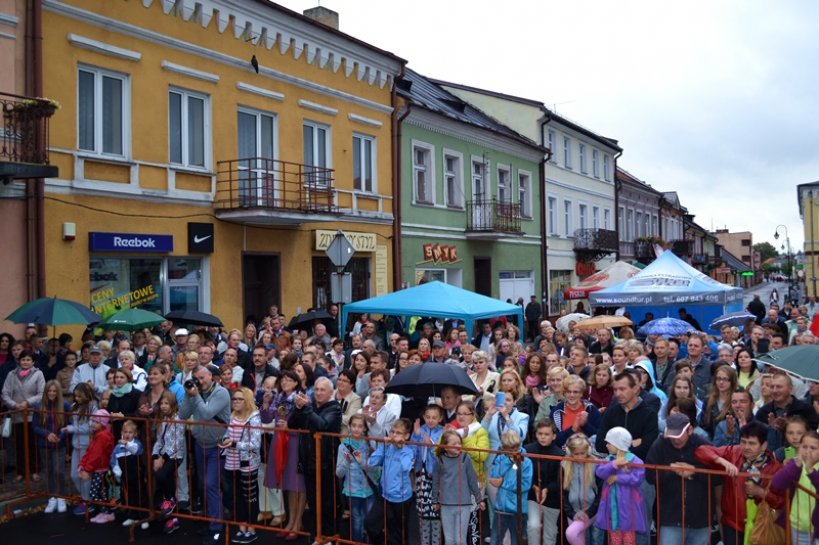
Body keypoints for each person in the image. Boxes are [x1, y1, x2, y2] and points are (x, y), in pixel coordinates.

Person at [595, 370, 658, 545]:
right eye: (615, 389)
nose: (618, 393)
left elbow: (647, 447)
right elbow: (600, 444)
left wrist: (619, 448)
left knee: (640, 525)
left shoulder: (649, 414)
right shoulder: (611, 412)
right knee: (613, 524)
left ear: (636, 389)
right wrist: (633, 443)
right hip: (612, 476)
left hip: (639, 478)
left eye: (622, 389)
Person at [695, 421, 784, 545]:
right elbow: (701, 451)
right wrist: (721, 461)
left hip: (760, 526)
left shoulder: (776, 468)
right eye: (743, 442)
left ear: (764, 446)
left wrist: (761, 492)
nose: (746, 447)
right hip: (732, 523)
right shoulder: (733, 452)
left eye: (752, 443)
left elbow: (781, 501)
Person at [179, 365, 231, 545]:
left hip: (216, 446)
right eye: (197, 378)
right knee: (203, 485)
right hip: (199, 444)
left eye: (203, 378)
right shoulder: (195, 392)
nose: (199, 382)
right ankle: (210, 521)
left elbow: (208, 413)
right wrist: (188, 394)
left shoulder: (221, 392)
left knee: (211, 484)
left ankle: (217, 527)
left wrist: (196, 396)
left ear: (211, 377)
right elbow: (183, 414)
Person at [645, 412, 712, 545]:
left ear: (690, 430)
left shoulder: (703, 445)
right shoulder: (660, 445)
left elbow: (718, 477)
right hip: (670, 518)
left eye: (679, 435)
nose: (675, 439)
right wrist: (671, 470)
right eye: (671, 435)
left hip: (700, 520)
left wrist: (694, 471)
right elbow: (650, 476)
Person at [289, 376, 342, 541]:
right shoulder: (310, 408)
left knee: (327, 504)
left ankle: (329, 537)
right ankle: (318, 536)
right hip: (309, 463)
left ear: (331, 392)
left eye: (322, 390)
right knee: (313, 504)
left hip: (326, 464)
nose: (318, 393)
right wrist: (298, 409)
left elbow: (322, 425)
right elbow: (292, 424)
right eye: (317, 389)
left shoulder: (334, 408)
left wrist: (306, 408)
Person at [259, 369, 303, 538]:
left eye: (289, 380)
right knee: (288, 484)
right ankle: (291, 521)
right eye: (283, 379)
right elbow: (266, 418)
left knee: (298, 483)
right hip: (280, 441)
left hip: (294, 441)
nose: (285, 382)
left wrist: (289, 426)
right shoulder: (278, 398)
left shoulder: (300, 399)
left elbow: (304, 421)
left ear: (296, 382)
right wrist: (265, 403)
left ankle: (297, 522)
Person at [220, 386, 262, 544]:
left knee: (249, 497)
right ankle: (242, 526)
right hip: (231, 462)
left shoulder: (254, 418)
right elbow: (228, 433)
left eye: (240, 399)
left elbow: (255, 444)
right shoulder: (232, 415)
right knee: (236, 496)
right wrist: (226, 439)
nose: (236, 402)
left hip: (248, 464)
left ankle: (252, 528)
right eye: (234, 399)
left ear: (247, 401)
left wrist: (234, 444)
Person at [365, 417, 417, 545]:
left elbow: (406, 467)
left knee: (399, 533)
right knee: (370, 524)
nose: (393, 435)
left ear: (406, 436)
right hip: (384, 496)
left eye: (398, 433)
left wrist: (401, 448)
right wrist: (382, 447)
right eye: (393, 431)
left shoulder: (409, 450)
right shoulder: (387, 447)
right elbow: (371, 462)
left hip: (401, 498)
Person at [594, 427, 646, 545]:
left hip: (629, 507)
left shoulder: (635, 460)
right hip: (613, 508)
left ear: (618, 444)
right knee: (614, 540)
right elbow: (599, 472)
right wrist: (614, 464)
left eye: (609, 443)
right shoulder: (609, 460)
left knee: (629, 539)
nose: (606, 445)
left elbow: (638, 478)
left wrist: (618, 478)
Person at [2, 349, 45, 482]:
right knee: (19, 444)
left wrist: (27, 402)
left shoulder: (38, 374)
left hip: (32, 414)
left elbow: (41, 393)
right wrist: (14, 405)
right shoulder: (11, 374)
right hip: (17, 414)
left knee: (33, 443)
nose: (25, 362)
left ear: (32, 361)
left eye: (28, 360)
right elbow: (5, 393)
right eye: (23, 359)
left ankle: (35, 470)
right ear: (19, 361)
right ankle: (20, 471)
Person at [770, 429, 819, 545]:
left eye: (813, 448)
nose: (808, 451)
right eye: (804, 447)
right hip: (798, 526)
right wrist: (795, 465)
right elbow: (776, 483)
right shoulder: (795, 464)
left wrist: (811, 471)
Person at [32, 379, 70, 513]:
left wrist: (61, 436)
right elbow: (34, 426)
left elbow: (67, 425)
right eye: (50, 391)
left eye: (54, 391)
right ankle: (52, 497)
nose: (52, 393)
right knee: (48, 471)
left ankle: (62, 497)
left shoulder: (65, 405)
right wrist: (47, 434)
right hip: (44, 444)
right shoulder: (39, 406)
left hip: (59, 444)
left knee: (58, 470)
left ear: (58, 392)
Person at [488, 430, 532, 545]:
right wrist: (508, 461)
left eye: (515, 448)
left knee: (516, 541)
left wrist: (503, 483)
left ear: (519, 445)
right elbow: (494, 478)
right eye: (508, 449)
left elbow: (524, 486)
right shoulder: (500, 458)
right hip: (500, 509)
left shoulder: (526, 462)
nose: (512, 452)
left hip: (518, 510)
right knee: (495, 541)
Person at [336, 414, 375, 543]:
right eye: (354, 426)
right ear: (349, 427)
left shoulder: (370, 445)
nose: (357, 429)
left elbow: (375, 469)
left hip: (369, 490)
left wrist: (362, 462)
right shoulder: (343, 447)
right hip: (352, 491)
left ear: (364, 428)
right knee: (357, 521)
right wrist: (346, 461)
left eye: (360, 426)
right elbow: (339, 473)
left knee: (369, 521)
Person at [525, 420, 563, 545]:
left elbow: (561, 479)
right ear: (536, 434)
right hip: (532, 495)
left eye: (546, 434)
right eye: (540, 433)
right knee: (533, 526)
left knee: (550, 532)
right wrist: (534, 487)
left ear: (554, 435)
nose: (543, 437)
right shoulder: (528, 450)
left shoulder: (560, 454)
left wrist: (547, 489)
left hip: (553, 497)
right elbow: (525, 474)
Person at [152, 391, 185, 534]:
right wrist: (155, 456)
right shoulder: (162, 419)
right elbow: (159, 441)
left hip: (175, 455)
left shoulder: (178, 419)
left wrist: (162, 458)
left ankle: (171, 501)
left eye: (167, 403)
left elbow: (176, 443)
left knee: (162, 475)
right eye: (162, 403)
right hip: (163, 454)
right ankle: (171, 516)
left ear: (173, 405)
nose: (164, 406)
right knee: (161, 479)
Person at [413, 404, 445, 545]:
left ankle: (436, 542)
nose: (431, 420)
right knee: (423, 513)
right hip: (421, 474)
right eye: (428, 417)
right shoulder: (420, 430)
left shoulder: (443, 432)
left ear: (440, 418)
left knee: (435, 513)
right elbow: (413, 449)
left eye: (434, 417)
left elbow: (441, 453)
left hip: (436, 475)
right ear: (423, 417)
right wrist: (417, 435)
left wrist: (430, 444)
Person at [563, 433, 602, 545]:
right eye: (576, 454)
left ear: (588, 451)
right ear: (570, 453)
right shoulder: (564, 465)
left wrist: (589, 513)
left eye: (582, 453)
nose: (580, 457)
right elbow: (563, 493)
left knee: (572, 534)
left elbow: (600, 493)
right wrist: (571, 513)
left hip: (592, 511)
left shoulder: (595, 464)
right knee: (578, 538)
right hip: (573, 512)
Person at [80, 409, 116, 524]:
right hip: (98, 469)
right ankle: (104, 512)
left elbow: (96, 455)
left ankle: (108, 513)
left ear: (103, 424)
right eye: (93, 421)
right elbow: (90, 451)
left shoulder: (102, 436)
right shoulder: (98, 435)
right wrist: (82, 465)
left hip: (102, 470)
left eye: (96, 422)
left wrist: (87, 469)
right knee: (99, 492)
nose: (93, 424)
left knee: (96, 493)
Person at [112, 419, 146, 528]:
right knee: (129, 497)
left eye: (130, 432)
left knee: (141, 495)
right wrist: (117, 471)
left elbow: (136, 451)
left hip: (137, 475)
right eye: (125, 432)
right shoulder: (117, 448)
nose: (127, 434)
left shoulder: (136, 443)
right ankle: (133, 516)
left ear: (135, 434)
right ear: (122, 432)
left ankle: (143, 517)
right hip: (125, 477)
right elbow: (113, 460)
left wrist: (126, 444)